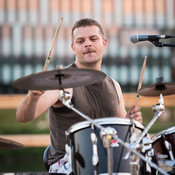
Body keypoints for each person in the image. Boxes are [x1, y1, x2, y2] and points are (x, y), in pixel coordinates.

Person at [16, 18, 142, 173]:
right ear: (73, 47)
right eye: (81, 41)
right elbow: (23, 116)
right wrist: (32, 97)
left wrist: (130, 123)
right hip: (70, 166)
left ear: (104, 43)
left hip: (107, 164)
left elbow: (120, 136)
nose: (87, 44)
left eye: (93, 39)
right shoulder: (63, 82)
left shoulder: (114, 85)